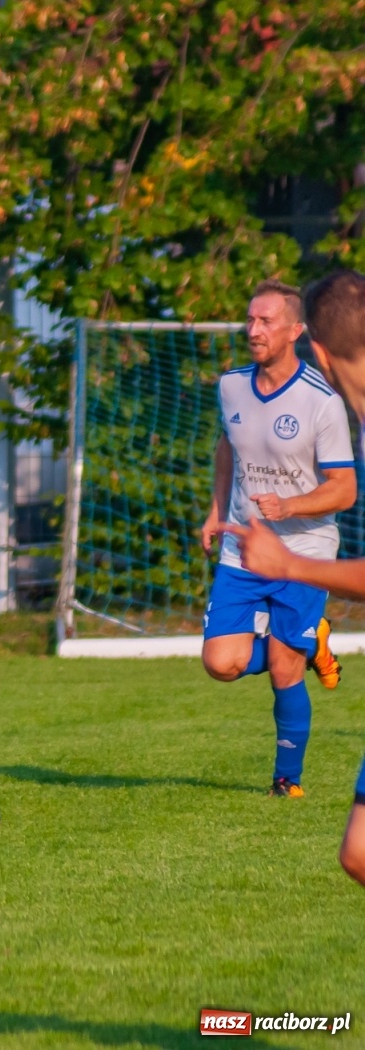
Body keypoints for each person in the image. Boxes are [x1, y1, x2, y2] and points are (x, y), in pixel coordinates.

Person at [198, 279, 355, 797]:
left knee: (285, 669)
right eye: (250, 319)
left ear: (295, 331)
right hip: (243, 546)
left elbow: (344, 489)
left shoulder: (322, 401)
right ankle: (311, 641)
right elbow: (228, 445)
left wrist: (290, 505)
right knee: (221, 663)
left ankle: (287, 781)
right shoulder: (231, 386)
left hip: (303, 550)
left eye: (266, 321)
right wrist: (216, 510)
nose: (253, 329)